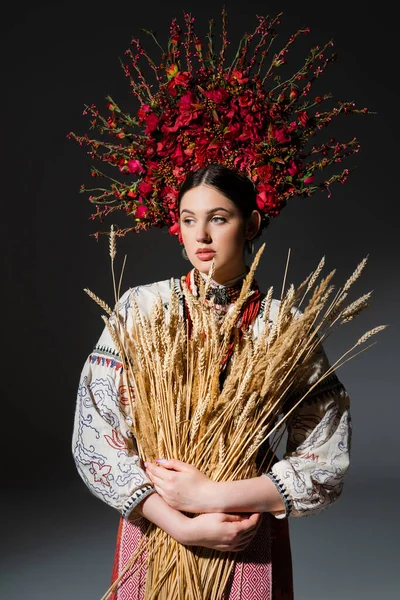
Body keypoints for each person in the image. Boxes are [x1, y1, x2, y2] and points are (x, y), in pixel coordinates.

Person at [72, 164, 352, 599]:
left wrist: (213, 496)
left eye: (218, 218)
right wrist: (181, 523)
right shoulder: (142, 307)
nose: (200, 235)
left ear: (252, 223)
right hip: (156, 526)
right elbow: (97, 438)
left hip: (242, 530)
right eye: (188, 219)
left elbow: (325, 459)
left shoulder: (284, 326)